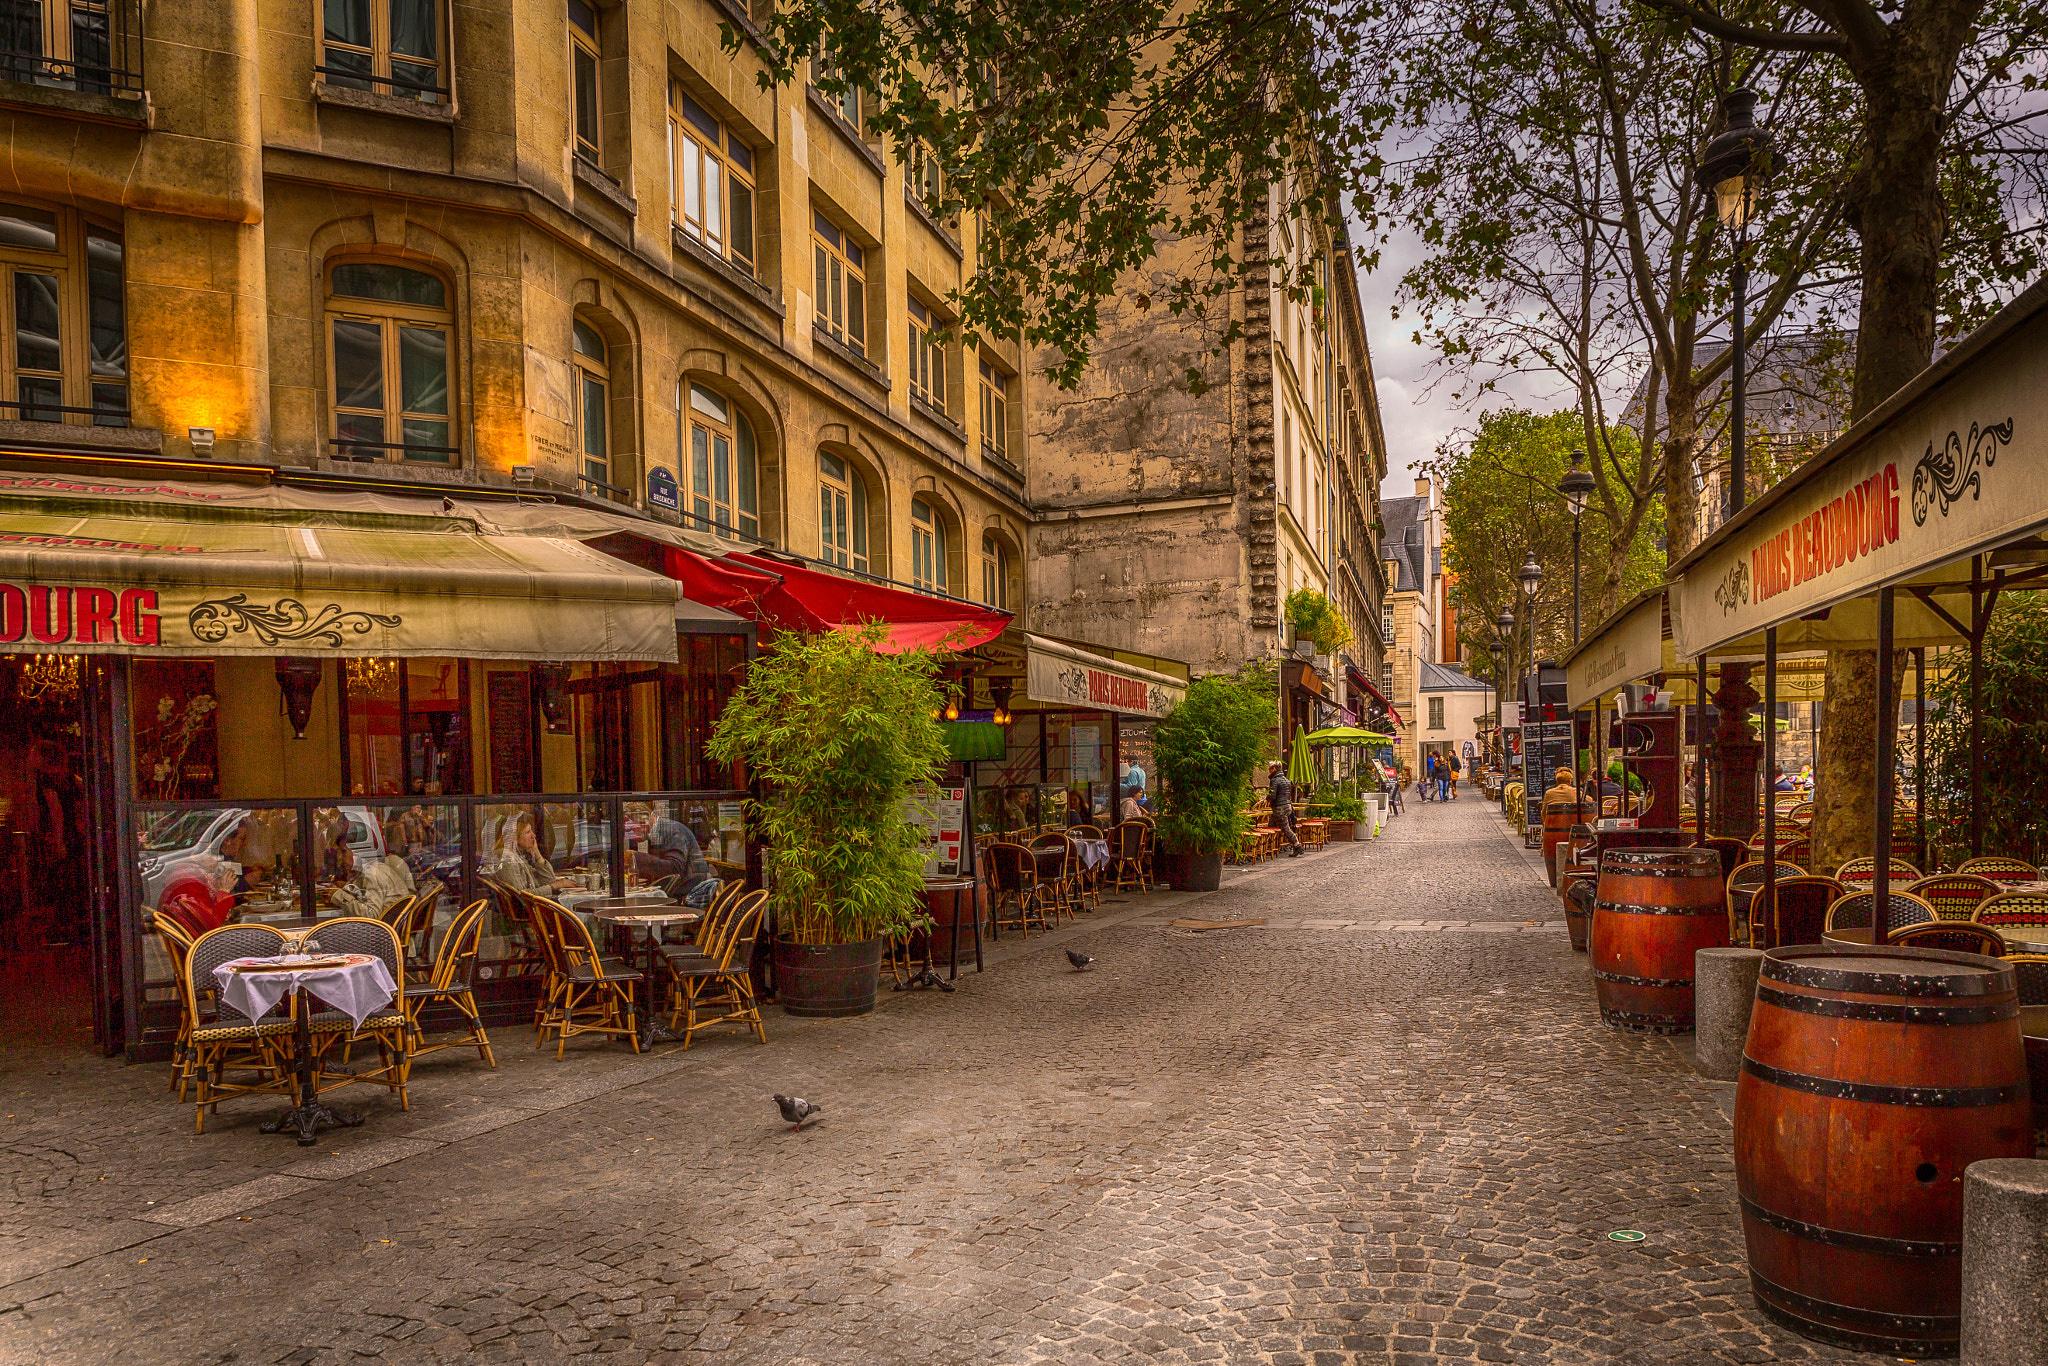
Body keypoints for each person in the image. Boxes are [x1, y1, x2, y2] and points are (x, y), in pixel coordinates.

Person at [635, 817, 721, 906]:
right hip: (681, 893)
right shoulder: (658, 832)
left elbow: (675, 868)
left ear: (644, 822)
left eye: (631, 827)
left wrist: (635, 857)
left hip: (690, 897)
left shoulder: (673, 831)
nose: (630, 833)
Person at [493, 811, 565, 893]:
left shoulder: (518, 855)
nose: (533, 836)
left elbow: (549, 880)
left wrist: (537, 854)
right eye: (528, 832)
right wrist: (554, 886)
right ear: (514, 837)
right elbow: (521, 895)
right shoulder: (506, 858)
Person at [1266, 761, 1304, 856]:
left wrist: (1267, 798)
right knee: (1270, 826)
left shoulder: (1274, 780)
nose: (1269, 771)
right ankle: (1269, 848)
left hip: (1280, 808)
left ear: (1274, 769)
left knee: (1285, 828)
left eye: (1270, 769)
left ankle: (1297, 845)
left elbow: (1273, 796)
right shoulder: (1286, 780)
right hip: (1287, 807)